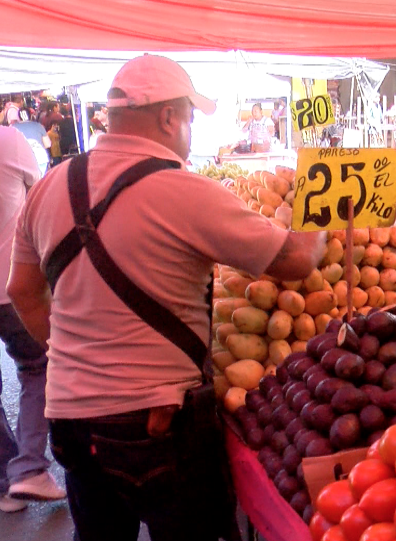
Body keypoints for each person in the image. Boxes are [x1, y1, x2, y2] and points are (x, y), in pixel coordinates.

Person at [6, 54, 326, 541]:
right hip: (159, 423)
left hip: (72, 420)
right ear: (169, 117)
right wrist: (324, 217)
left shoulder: (50, 185)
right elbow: (295, 260)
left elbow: (22, 291)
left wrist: (73, 357)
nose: (191, 131)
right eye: (191, 117)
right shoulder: (186, 191)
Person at [0, 126, 66, 513]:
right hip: (10, 283)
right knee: (38, 367)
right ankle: (27, 468)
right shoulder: (8, 141)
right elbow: (40, 197)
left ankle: (5, 479)